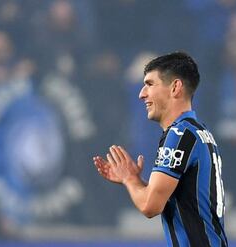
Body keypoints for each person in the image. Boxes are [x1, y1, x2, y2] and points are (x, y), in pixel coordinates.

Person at [93, 52, 228, 247]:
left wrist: (129, 179)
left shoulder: (180, 135)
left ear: (175, 87)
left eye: (150, 84)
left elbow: (150, 206)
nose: (141, 94)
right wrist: (138, 181)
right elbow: (180, 196)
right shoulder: (199, 131)